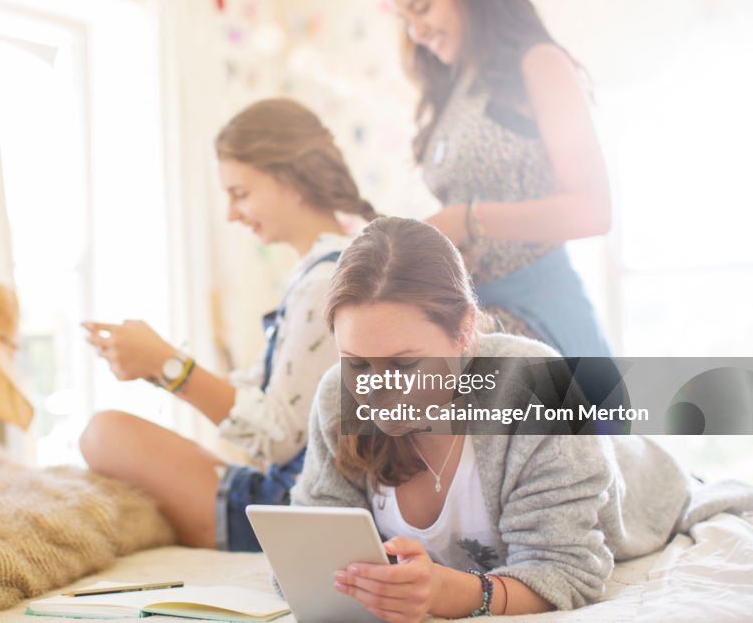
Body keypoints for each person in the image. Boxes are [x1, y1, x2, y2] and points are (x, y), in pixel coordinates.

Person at [285, 217, 753, 620]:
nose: (377, 392)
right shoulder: (337, 398)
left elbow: (567, 571)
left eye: (406, 365)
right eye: (358, 364)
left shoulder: (538, 387)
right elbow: (307, 551)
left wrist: (450, 592)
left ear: (464, 331)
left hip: (647, 482)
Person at [80, 98, 378, 551]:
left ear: (292, 181)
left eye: (240, 193)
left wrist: (169, 366)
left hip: (296, 509)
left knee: (104, 434)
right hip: (297, 490)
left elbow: (276, 437)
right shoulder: (325, 268)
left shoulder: (325, 283)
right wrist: (158, 366)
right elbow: (259, 399)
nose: (230, 214)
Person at [380, 0, 613, 357]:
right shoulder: (454, 91)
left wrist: (467, 220)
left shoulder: (538, 64)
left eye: (422, 6)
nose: (416, 31)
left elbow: (592, 211)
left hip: (539, 312)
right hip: (476, 319)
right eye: (405, 18)